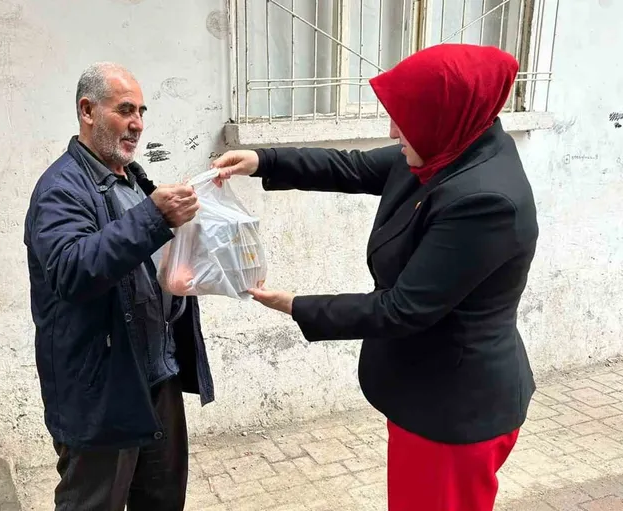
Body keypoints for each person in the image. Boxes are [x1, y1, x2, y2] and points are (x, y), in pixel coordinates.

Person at [212, 44, 537, 511]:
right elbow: (352, 166)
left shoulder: (484, 201)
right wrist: (263, 160)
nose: (392, 131)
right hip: (426, 391)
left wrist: (295, 304)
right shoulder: (449, 148)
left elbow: (403, 309)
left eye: (404, 119)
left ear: (442, 116)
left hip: (454, 408)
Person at [24, 62, 215, 510]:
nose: (138, 124)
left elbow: (140, 262)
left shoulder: (132, 179)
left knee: (162, 500)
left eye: (141, 112)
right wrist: (154, 217)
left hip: (157, 377)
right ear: (87, 111)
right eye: (125, 110)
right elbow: (71, 270)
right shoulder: (60, 190)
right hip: (102, 391)